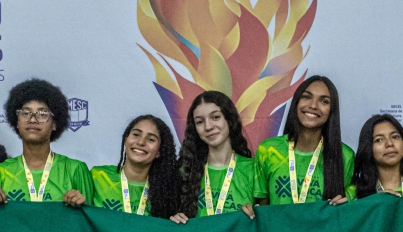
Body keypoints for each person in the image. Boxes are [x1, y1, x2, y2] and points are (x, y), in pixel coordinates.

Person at [0, 79, 93, 206]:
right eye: (25, 113)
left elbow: (89, 217)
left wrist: (81, 204)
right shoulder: (0, 172)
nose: (33, 120)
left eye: (42, 113)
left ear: (54, 124)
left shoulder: (75, 170)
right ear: (17, 122)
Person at [254, 76, 353, 205]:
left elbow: (349, 208)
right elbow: (262, 210)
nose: (313, 105)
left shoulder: (345, 156)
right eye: (306, 97)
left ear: (332, 110)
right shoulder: (268, 150)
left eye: (324, 101)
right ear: (296, 102)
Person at [172, 91, 259, 223]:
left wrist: (256, 212)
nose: (208, 127)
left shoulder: (253, 169)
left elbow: (266, 221)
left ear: (229, 119)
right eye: (200, 122)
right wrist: (173, 219)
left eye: (215, 117)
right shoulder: (185, 172)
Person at [90, 115, 182, 218]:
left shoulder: (166, 193)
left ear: (159, 151)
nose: (141, 142)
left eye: (151, 139)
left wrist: (174, 222)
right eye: (136, 135)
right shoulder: (97, 176)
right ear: (126, 140)